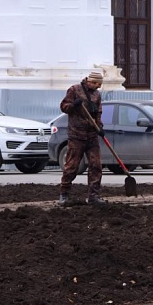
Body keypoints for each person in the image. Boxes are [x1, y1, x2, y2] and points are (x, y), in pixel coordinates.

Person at [57, 70, 106, 206]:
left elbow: (98, 112)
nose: (98, 86)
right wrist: (73, 105)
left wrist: (99, 126)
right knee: (72, 166)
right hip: (76, 135)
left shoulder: (97, 94)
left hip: (92, 135)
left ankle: (93, 196)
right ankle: (64, 195)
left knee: (96, 165)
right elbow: (63, 107)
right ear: (91, 81)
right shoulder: (74, 90)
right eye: (97, 83)